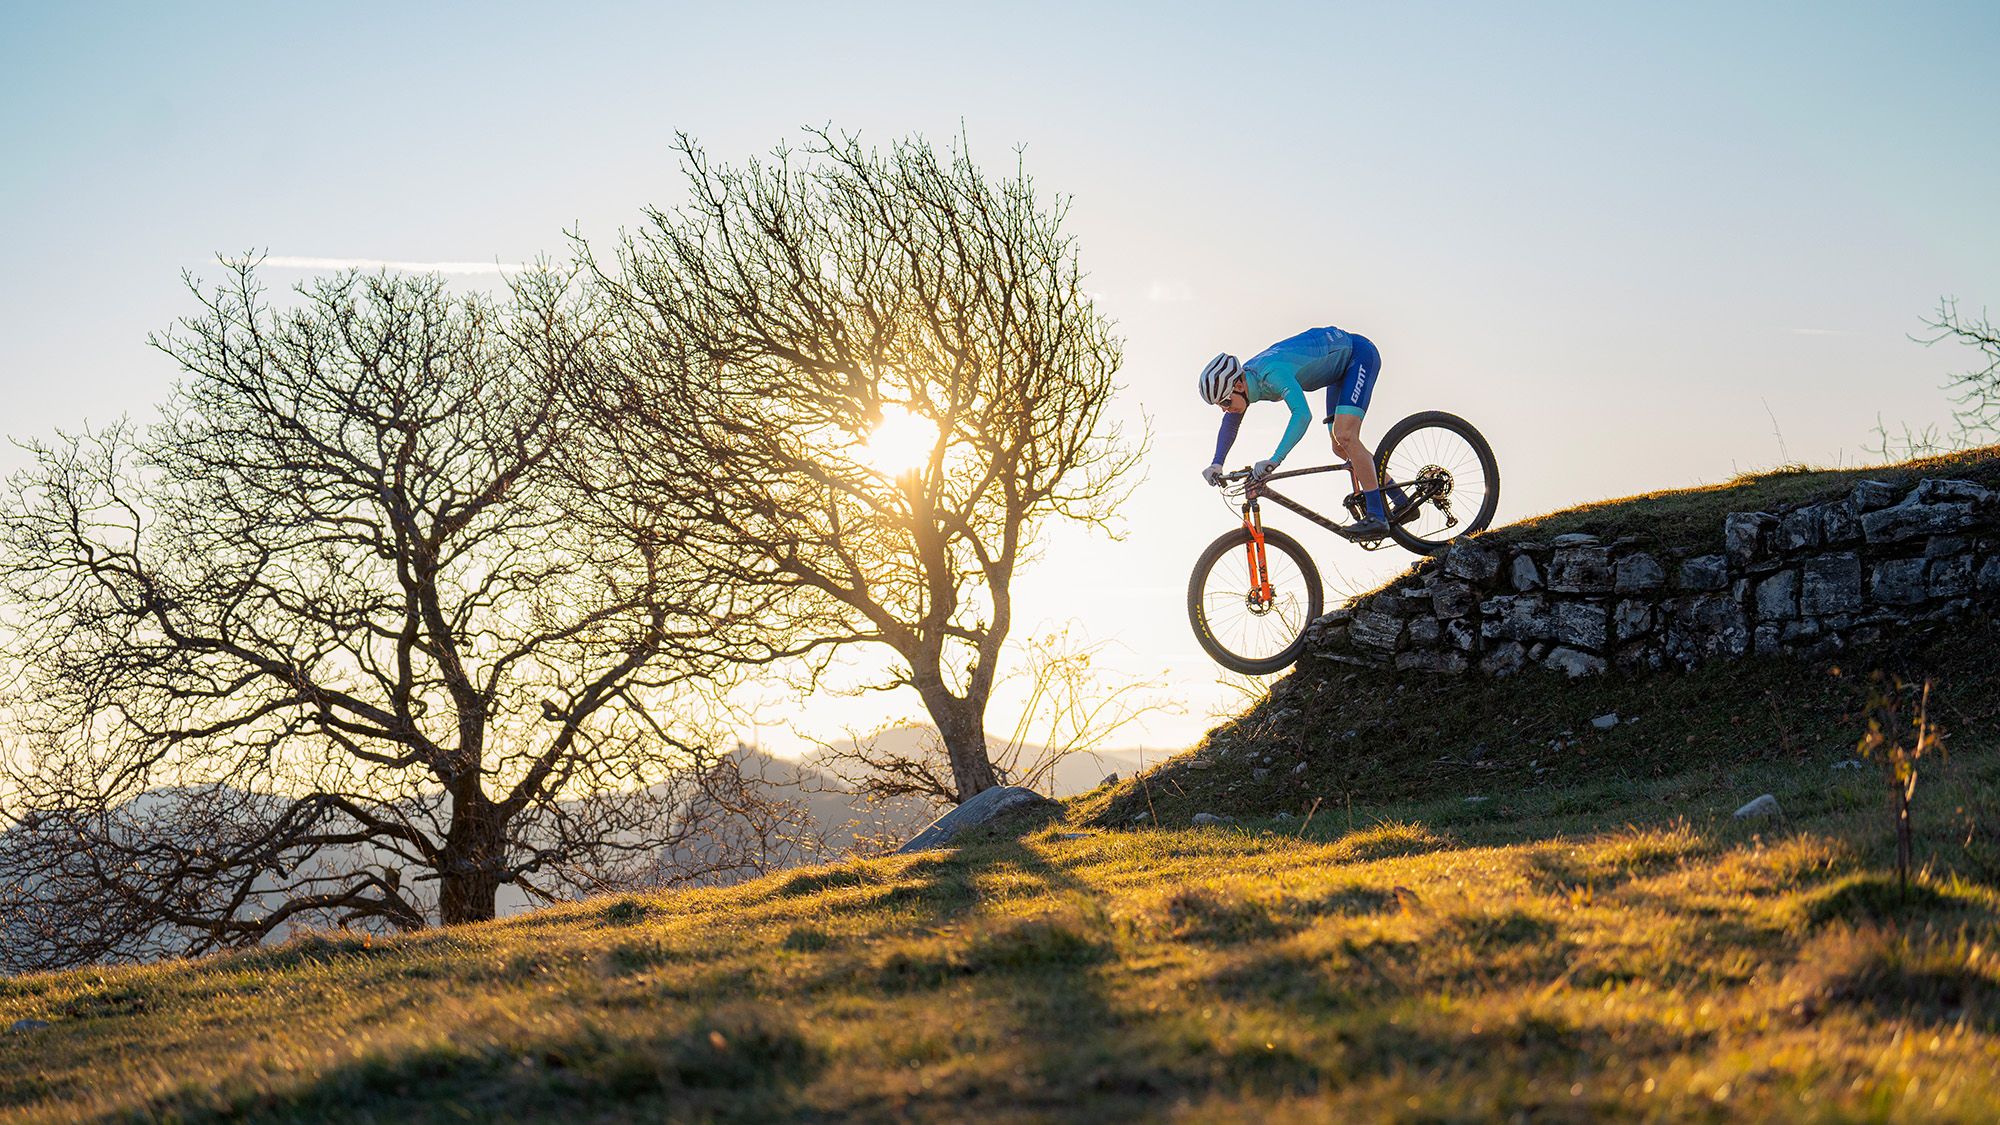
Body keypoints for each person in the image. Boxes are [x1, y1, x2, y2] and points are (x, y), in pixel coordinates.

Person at [1198, 325, 1394, 540]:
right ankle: (1401, 500)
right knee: (1340, 448)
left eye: (1225, 401)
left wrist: (1275, 459)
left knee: (1345, 435)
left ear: (1238, 384)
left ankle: (1377, 517)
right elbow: (1230, 422)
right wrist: (1217, 462)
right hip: (1338, 371)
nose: (1225, 409)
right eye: (1220, 405)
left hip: (1358, 355)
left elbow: (1302, 415)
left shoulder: (1272, 373)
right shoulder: (1246, 381)